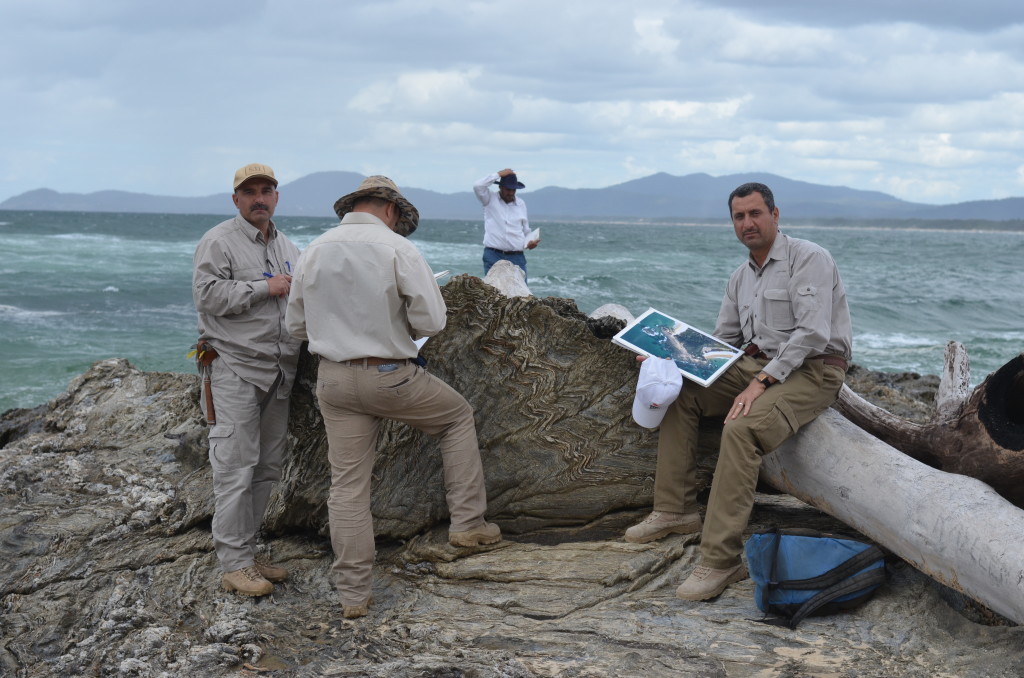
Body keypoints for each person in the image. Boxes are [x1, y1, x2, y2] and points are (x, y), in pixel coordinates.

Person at [285, 175, 502, 619]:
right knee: (456, 418)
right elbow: (432, 319)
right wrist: (399, 328)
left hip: (334, 380)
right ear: (389, 209)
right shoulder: (398, 249)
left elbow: (296, 327)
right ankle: (469, 525)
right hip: (390, 376)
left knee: (347, 487)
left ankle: (353, 595)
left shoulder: (314, 250)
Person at [624, 182, 852, 601]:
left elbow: (813, 334)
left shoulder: (809, 258)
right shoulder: (739, 278)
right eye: (738, 217)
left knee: (742, 428)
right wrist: (668, 360)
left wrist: (761, 381)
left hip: (813, 371)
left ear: (775, 215)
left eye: (755, 214)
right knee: (683, 391)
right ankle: (675, 510)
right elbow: (721, 344)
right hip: (755, 365)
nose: (747, 223)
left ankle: (720, 560)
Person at [192, 162, 302, 597]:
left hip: (279, 371)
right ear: (235, 199)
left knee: (266, 469)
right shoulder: (219, 241)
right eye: (251, 191)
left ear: (277, 197)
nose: (260, 198)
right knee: (235, 468)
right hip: (235, 367)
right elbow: (205, 295)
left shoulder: (289, 246)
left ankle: (249, 552)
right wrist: (263, 288)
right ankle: (234, 563)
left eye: (267, 190)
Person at [473, 168, 538, 278]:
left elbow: (526, 230)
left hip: (517, 256)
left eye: (513, 190)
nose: (511, 193)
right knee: (493, 292)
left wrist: (530, 242)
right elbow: (477, 186)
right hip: (493, 255)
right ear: (500, 187)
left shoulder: (521, 204)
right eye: (508, 189)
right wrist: (498, 174)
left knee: (521, 292)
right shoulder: (489, 199)